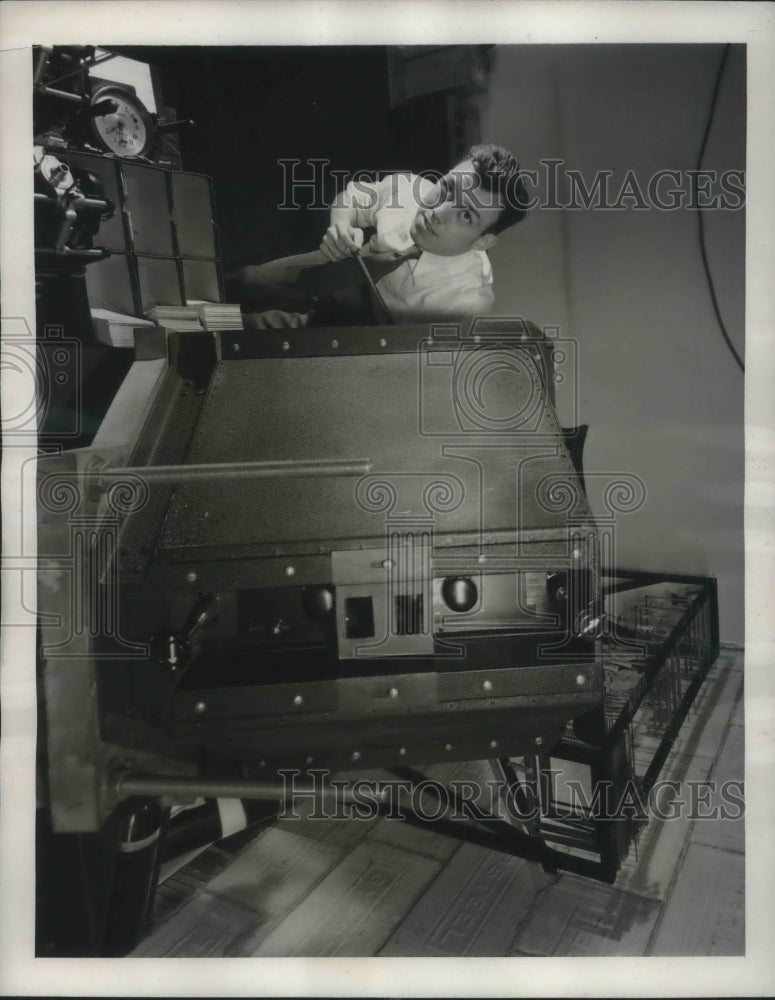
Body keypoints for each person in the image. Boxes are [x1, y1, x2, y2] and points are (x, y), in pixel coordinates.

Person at [230, 144, 529, 328]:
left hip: (367, 328)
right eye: (448, 188)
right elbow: (351, 197)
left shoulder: (468, 301)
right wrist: (340, 225)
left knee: (249, 333)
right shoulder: (410, 188)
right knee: (246, 280)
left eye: (466, 216)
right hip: (347, 264)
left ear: (483, 241)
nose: (439, 211)